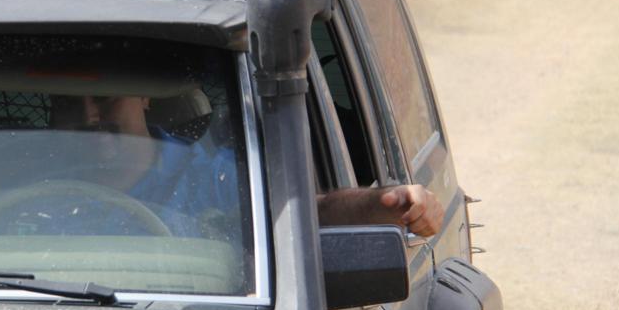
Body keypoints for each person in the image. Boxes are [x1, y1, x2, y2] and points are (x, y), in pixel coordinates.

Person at [48, 94, 443, 237]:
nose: (88, 115)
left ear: (145, 97)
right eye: (67, 102)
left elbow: (305, 214)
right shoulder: (28, 180)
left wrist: (384, 205)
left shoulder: (214, 179)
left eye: (105, 97)